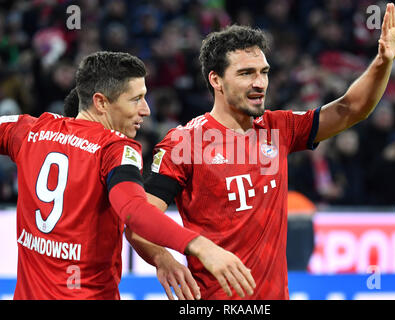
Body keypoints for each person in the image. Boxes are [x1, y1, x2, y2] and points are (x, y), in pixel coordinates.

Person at [131, 3, 395, 299]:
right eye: (246, 73)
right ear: (216, 80)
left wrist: (382, 62)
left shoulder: (278, 128)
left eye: (264, 72)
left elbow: (351, 109)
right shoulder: (185, 143)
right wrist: (163, 258)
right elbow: (139, 219)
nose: (259, 83)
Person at [0, 51, 255, 299]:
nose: (146, 110)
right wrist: (202, 247)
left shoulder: (30, 130)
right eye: (136, 99)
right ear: (101, 102)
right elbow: (134, 210)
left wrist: (161, 257)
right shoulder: (114, 149)